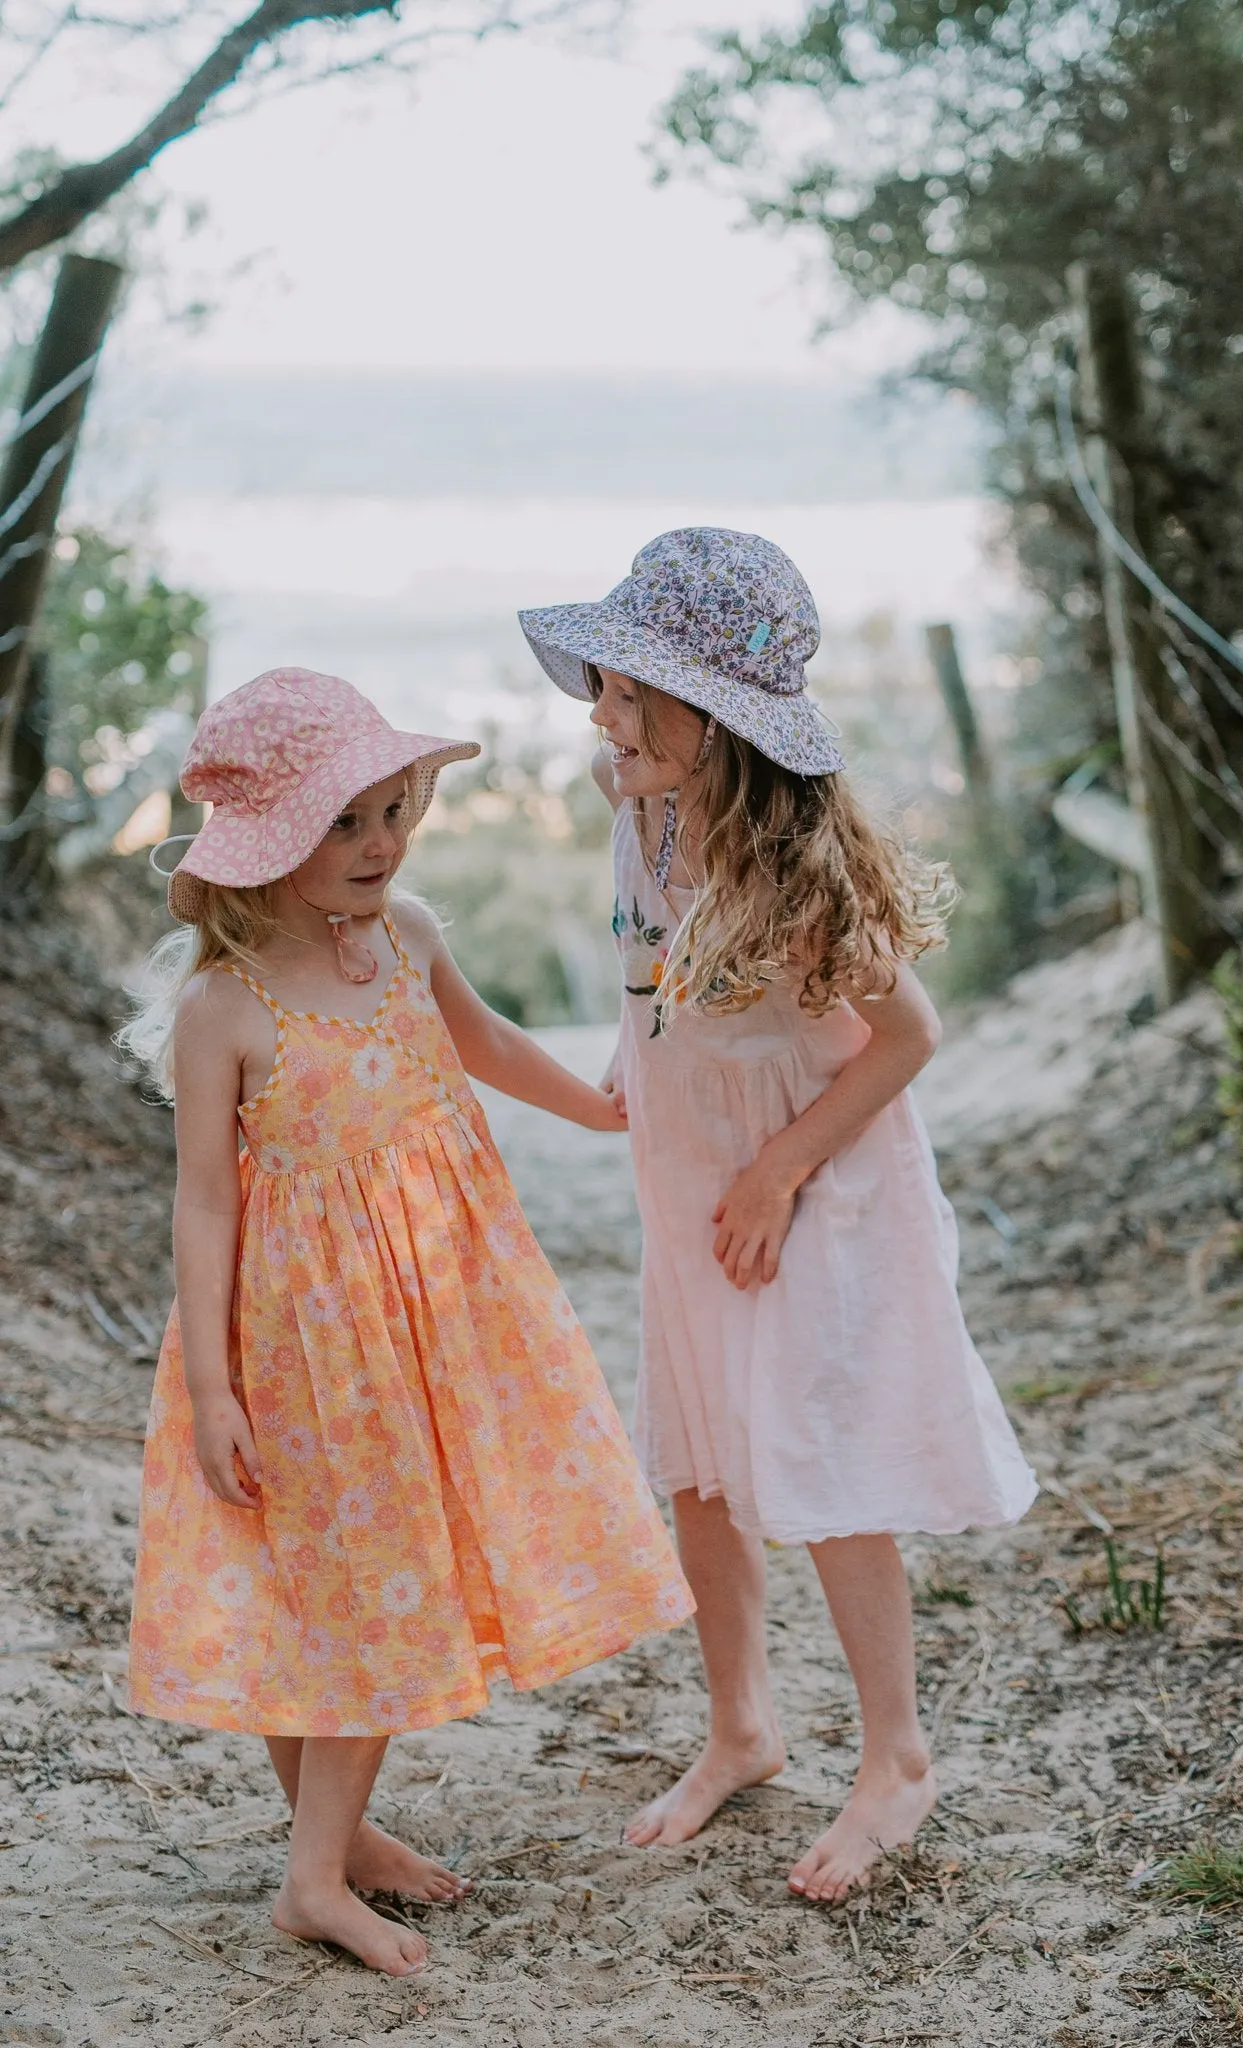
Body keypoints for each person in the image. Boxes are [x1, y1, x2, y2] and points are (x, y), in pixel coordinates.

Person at [122, 667, 693, 1977]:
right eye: (345, 824)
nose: (380, 844)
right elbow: (204, 1207)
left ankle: (339, 1838)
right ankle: (313, 1876)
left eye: (392, 811)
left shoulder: (411, 937)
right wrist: (214, 1390)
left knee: (347, 1594)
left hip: (436, 1321)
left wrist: (596, 1109)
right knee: (346, 1603)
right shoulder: (224, 1012)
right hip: (307, 1355)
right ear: (265, 849)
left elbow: (483, 1044)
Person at [518, 529, 1038, 1905]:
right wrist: (640, 1068)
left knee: (821, 1463)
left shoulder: (796, 876)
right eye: (606, 683)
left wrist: (779, 1170)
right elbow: (651, 963)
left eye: (633, 693)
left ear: (720, 721)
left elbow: (905, 1038)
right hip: (696, 1185)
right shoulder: (642, 805)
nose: (601, 713)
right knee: (699, 1465)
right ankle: (742, 1726)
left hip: (818, 1192)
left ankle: (897, 1758)